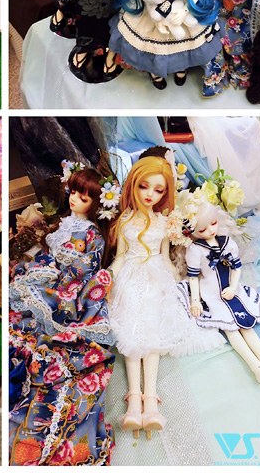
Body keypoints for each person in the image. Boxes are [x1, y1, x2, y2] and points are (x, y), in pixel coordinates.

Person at [108, 157, 224, 438]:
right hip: (130, 277)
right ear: (133, 185)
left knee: (152, 331)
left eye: (158, 190)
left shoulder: (164, 223)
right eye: (144, 186)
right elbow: (120, 256)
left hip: (156, 277)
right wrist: (108, 278)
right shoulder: (125, 221)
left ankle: (151, 399)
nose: (150, 194)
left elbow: (164, 257)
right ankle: (133, 400)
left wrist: (181, 278)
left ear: (165, 193)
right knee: (131, 332)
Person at [9, 168, 116, 465]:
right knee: (22, 304)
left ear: (96, 204)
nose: (74, 199)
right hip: (53, 275)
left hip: (70, 287)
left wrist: (55, 272)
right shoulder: (65, 224)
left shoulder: (92, 233)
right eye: (74, 192)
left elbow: (85, 267)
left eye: (84, 197)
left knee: (39, 315)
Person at [177, 201, 260, 385]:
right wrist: (195, 301)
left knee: (246, 324)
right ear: (192, 231)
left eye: (213, 223)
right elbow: (193, 277)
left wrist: (233, 287)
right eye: (202, 229)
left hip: (232, 290)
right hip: (211, 293)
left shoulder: (227, 243)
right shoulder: (195, 250)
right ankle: (256, 367)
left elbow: (237, 268)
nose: (211, 230)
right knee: (231, 329)